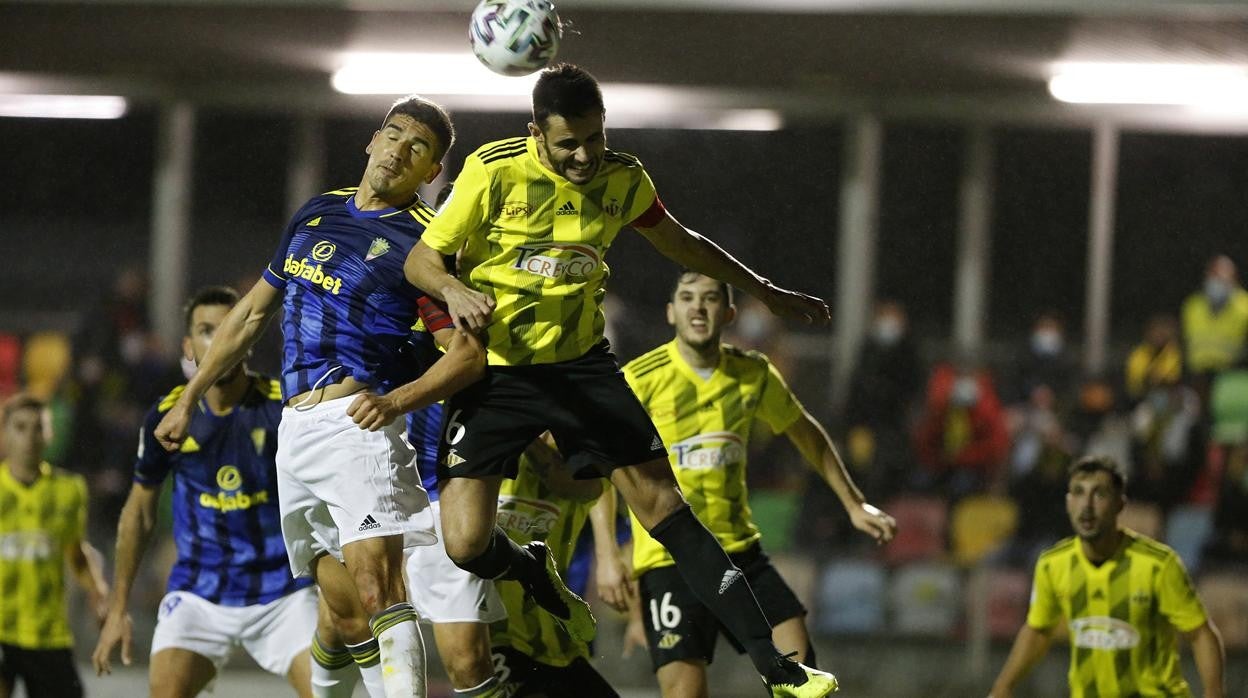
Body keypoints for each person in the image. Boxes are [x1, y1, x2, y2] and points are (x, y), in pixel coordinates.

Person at [403, 62, 839, 697]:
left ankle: (780, 669)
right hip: (499, 372)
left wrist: (764, 291)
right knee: (466, 544)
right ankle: (531, 570)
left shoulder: (624, 180)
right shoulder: (493, 171)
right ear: (535, 134)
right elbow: (422, 259)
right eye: (568, 144)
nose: (584, 155)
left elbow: (684, 243)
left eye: (594, 139)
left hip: (581, 366)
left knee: (665, 506)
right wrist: (452, 289)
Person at [153, 95, 486, 698]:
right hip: (296, 429)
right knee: (339, 607)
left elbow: (467, 356)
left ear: (431, 173)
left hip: (358, 427)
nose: (400, 151)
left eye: (419, 149)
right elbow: (251, 313)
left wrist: (395, 403)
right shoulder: (317, 214)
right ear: (372, 140)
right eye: (395, 135)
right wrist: (189, 396)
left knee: (377, 588)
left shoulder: (423, 246)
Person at [610, 271, 895, 697]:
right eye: (687, 298)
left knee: (804, 676)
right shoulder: (640, 378)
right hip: (670, 562)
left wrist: (855, 504)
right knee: (685, 692)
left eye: (709, 298)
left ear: (728, 313)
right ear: (671, 312)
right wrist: (606, 552)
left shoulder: (752, 373)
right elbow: (607, 465)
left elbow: (807, 434)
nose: (698, 307)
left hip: (739, 550)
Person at [91, 286, 321, 696]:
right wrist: (118, 609)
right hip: (200, 594)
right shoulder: (166, 416)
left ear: (247, 336)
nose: (218, 340)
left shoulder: (283, 409)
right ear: (188, 345)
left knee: (328, 693)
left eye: (229, 327)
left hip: (282, 592)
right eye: (206, 330)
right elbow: (139, 512)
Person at [989, 455, 1226, 698]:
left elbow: (1200, 633)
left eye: (1099, 494)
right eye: (1079, 493)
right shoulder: (1053, 564)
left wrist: (1213, 692)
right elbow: (1038, 629)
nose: (1087, 505)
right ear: (1069, 502)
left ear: (1119, 504)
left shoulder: (1158, 565)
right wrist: (1003, 686)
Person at [488, 436, 618, 697]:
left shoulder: (575, 459)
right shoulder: (485, 453)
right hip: (495, 638)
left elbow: (593, 487)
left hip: (559, 641)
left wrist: (608, 556)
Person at [0, 394, 108, 698]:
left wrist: (98, 591)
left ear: (50, 434)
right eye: (20, 427)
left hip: (47, 633)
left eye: (38, 428)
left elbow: (75, 551)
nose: (29, 437)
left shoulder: (68, 490)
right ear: (5, 433)